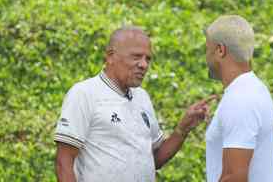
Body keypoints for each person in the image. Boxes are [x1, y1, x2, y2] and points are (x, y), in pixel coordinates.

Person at [54, 26, 210, 182]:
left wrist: (183, 129)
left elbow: (154, 159)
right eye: (136, 57)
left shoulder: (142, 97)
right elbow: (64, 163)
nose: (144, 65)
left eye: (148, 59)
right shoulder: (84, 94)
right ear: (110, 56)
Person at [204, 15, 273, 182]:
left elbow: (234, 177)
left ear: (220, 50)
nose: (206, 58)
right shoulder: (253, 88)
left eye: (207, 50)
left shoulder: (240, 99)